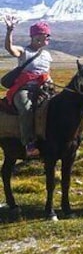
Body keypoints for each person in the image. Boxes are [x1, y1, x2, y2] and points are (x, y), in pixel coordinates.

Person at [3, 16, 53, 157]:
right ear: (36, 37)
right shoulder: (24, 51)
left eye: (48, 35)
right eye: (45, 35)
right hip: (24, 89)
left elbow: (47, 73)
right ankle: (29, 144)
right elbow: (9, 48)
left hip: (44, 88)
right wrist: (9, 31)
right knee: (26, 109)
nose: (47, 38)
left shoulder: (47, 55)